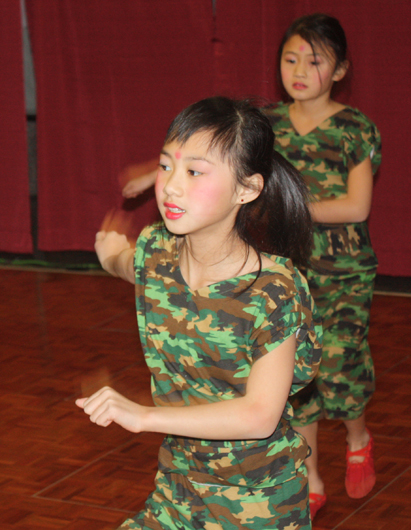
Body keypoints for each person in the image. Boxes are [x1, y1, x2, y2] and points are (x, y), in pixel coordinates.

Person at [76, 96, 323, 530]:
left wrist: (143, 415)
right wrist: (109, 253)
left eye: (194, 172)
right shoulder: (156, 250)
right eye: (166, 165)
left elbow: (260, 415)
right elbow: (127, 263)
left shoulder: (273, 291)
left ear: (246, 189)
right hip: (177, 490)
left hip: (258, 504)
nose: (171, 186)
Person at [264, 13, 382, 519]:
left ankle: (358, 438)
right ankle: (310, 477)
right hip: (287, 270)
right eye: (290, 59)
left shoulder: (355, 128)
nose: (300, 70)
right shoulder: (265, 125)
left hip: (346, 270)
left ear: (339, 71)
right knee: (295, 375)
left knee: (338, 364)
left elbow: (356, 208)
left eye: (314, 61)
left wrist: (289, 207)